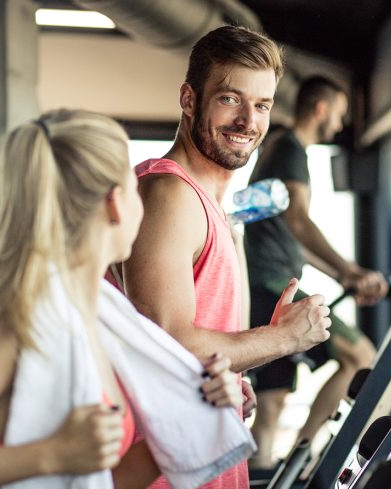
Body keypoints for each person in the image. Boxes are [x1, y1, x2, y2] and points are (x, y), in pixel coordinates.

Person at [0, 109, 249, 489]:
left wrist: (197, 410)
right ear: (115, 203)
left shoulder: (101, 319)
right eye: (135, 189)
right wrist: (52, 453)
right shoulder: (11, 320)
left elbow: (101, 481)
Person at [111, 26, 332, 489]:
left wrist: (230, 381)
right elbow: (169, 347)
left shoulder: (208, 207)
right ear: (189, 100)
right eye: (230, 99)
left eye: (262, 105)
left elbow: (193, 356)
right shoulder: (169, 194)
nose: (248, 121)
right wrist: (284, 338)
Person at [244, 76, 388, 471]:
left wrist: (346, 276)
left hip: (267, 282)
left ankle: (272, 468)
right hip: (273, 284)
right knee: (359, 355)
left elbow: (297, 239)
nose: (340, 125)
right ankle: (304, 461)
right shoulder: (291, 149)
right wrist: (349, 268)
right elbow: (299, 220)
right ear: (320, 109)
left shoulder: (277, 146)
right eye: (339, 115)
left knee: (271, 402)